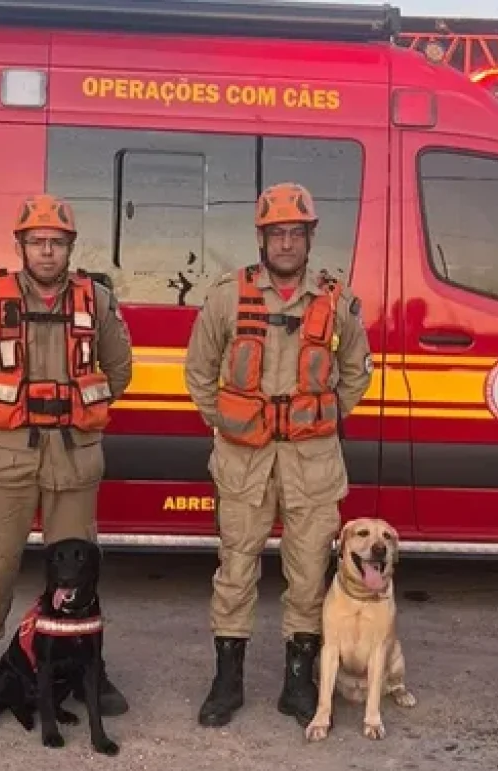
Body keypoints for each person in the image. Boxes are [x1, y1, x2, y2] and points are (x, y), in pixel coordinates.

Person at [0, 194, 134, 722]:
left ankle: (91, 667)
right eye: (37, 242)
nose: (47, 252)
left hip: (74, 456)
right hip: (8, 454)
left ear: (70, 247)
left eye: (57, 243)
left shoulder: (99, 302)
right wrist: (8, 410)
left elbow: (119, 372)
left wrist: (77, 408)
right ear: (20, 245)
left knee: (79, 571)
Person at [184, 182, 373, 729]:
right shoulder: (227, 296)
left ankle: (298, 681)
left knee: (309, 573)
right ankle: (227, 681)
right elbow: (199, 370)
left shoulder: (336, 303)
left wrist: (327, 416)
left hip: (312, 462)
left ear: (311, 237)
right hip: (244, 460)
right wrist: (225, 421)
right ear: (261, 238)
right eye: (276, 233)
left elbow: (357, 370)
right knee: (235, 569)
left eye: (296, 232)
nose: (286, 243)